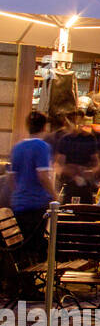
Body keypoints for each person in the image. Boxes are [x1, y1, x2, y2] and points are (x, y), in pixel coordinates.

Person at [6, 112, 56, 298]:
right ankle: (29, 287)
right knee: (34, 247)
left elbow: (11, 178)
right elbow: (43, 175)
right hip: (36, 203)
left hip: (19, 203)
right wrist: (54, 196)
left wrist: (18, 192)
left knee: (21, 246)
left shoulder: (18, 147)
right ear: (45, 127)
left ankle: (16, 285)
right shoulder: (42, 146)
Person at [53, 111, 100, 204]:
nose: (77, 125)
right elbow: (59, 164)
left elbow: (96, 162)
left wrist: (91, 171)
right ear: (68, 122)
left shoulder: (89, 138)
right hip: (69, 183)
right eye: (74, 122)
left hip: (86, 183)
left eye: (79, 122)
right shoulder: (65, 139)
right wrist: (72, 172)